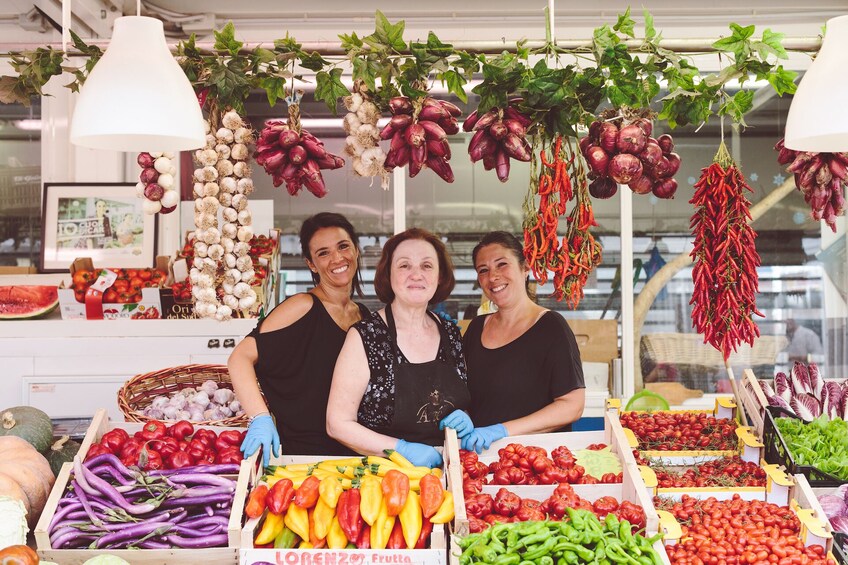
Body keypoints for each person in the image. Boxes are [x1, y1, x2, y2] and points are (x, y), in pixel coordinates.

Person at [230, 212, 369, 465]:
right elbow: (240, 357)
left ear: (356, 250)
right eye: (323, 253)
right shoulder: (303, 306)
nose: (337, 258)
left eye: (343, 246)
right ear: (311, 264)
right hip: (303, 459)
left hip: (357, 456)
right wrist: (259, 417)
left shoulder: (364, 316)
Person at [327, 228, 472, 468]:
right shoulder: (365, 336)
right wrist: (400, 449)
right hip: (384, 479)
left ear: (440, 276)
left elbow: (457, 400)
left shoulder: (450, 332)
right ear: (388, 275)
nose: (416, 275)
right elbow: (337, 424)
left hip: (449, 472)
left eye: (427, 266)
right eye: (404, 266)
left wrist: (464, 418)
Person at [462, 231, 585, 453]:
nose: (493, 277)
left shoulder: (551, 327)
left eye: (502, 264)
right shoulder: (475, 329)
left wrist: (503, 430)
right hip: (482, 462)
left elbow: (572, 406)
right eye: (483, 270)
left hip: (537, 466)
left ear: (525, 268)